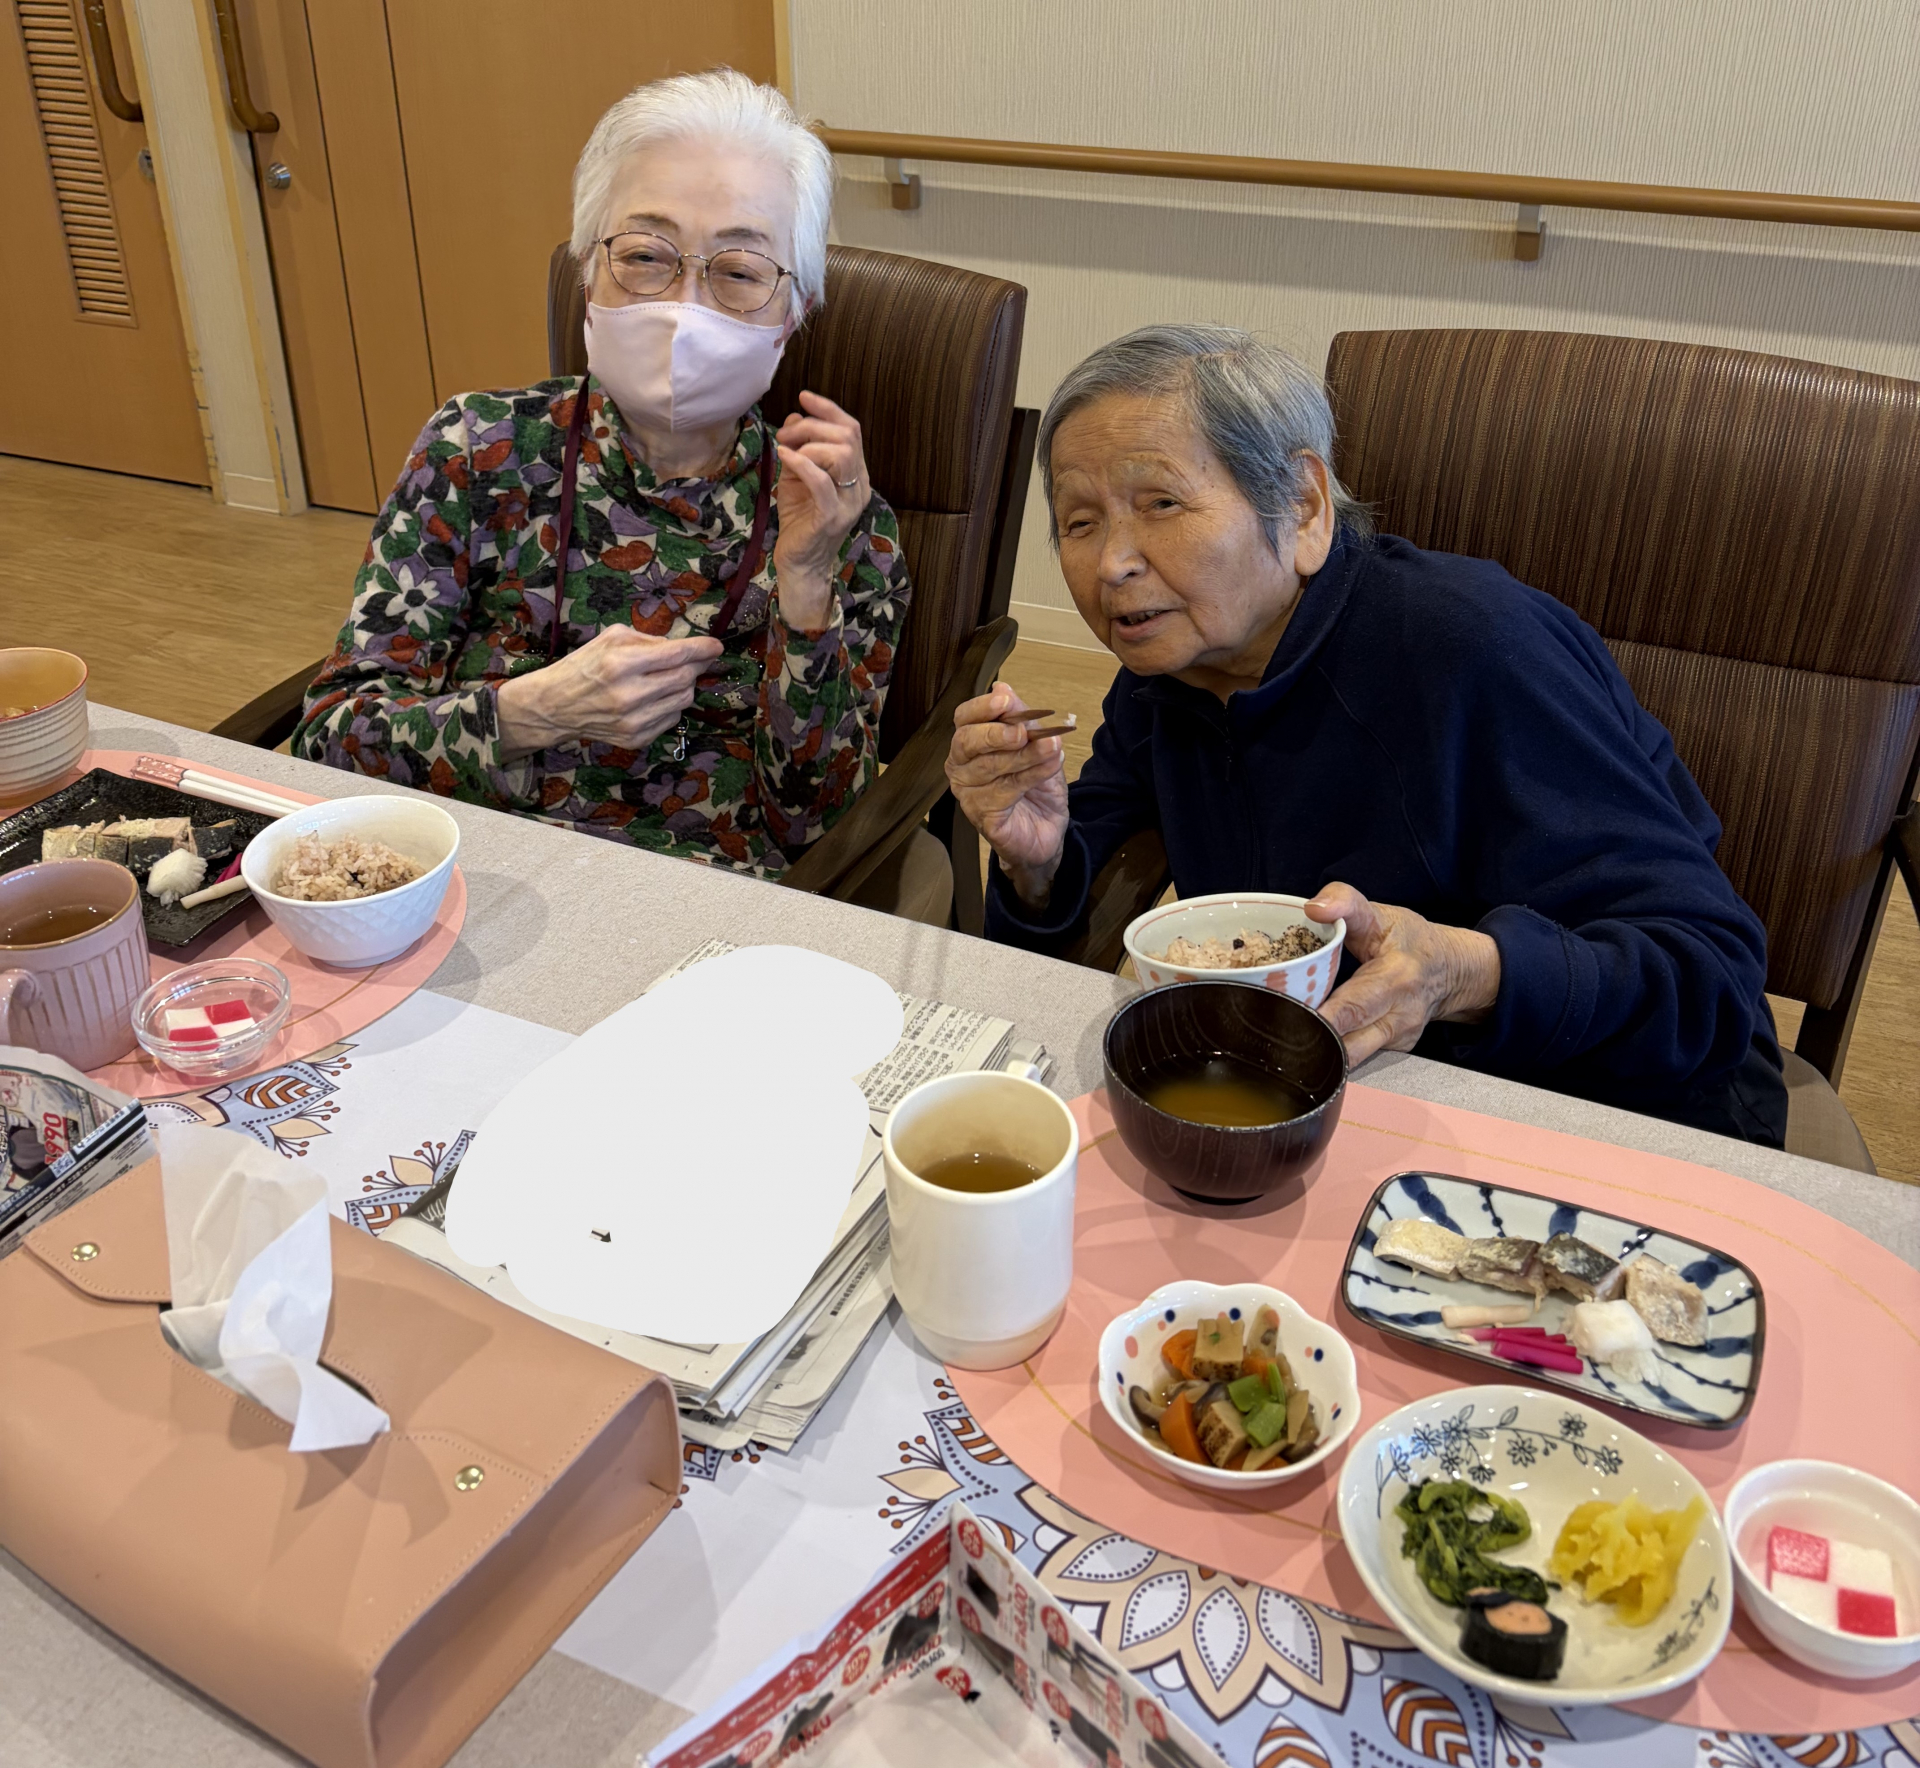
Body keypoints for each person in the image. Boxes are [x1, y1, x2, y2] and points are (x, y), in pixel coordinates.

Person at [947, 324, 1788, 1145]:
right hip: (1331, 1087)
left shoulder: (1474, 647)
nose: (1111, 564)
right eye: (1079, 521)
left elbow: (1709, 977)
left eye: (1160, 503)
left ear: (1303, 505)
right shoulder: (1169, 670)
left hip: (1615, 1114)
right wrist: (1035, 865)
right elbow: (1066, 927)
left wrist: (1466, 972)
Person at [293, 71, 909, 877]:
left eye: (739, 271)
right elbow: (330, 742)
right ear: (588, 272)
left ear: (795, 312)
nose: (686, 306)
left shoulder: (836, 516)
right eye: (646, 256)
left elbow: (818, 827)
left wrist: (806, 581)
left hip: (706, 911)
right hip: (462, 879)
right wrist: (529, 713)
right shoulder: (477, 449)